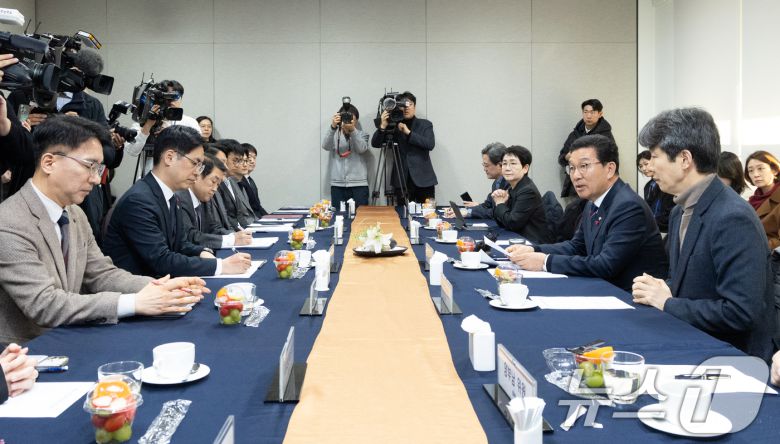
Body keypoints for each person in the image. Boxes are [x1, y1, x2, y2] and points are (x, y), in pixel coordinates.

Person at [0, 116, 208, 344]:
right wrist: (134, 303)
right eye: (90, 166)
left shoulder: (74, 213)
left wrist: (159, 287)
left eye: (99, 168)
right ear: (49, 163)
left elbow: (101, 274)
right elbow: (45, 304)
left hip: (70, 335)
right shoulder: (9, 223)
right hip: (24, 350)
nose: (97, 179)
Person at [632, 108, 774, 361]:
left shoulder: (733, 217)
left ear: (684, 159)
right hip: (689, 339)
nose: (650, 167)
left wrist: (667, 302)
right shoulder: (680, 210)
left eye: (654, 157)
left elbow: (740, 312)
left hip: (729, 358)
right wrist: (662, 287)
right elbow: (692, 284)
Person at [508, 134, 667, 291]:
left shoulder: (628, 206)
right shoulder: (592, 202)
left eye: (584, 166)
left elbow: (606, 265)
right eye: (572, 168)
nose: (576, 176)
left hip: (629, 297)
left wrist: (545, 262)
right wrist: (534, 250)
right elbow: (577, 246)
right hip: (602, 288)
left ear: (609, 169)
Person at [103, 126, 252, 278]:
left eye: (200, 166)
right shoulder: (139, 201)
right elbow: (161, 260)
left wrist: (201, 252)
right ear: (169, 157)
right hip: (141, 286)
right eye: (195, 163)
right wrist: (220, 266)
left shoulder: (171, 196)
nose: (197, 172)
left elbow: (181, 244)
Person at [124, 79, 201, 176]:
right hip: (150, 178)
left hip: (181, 178)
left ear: (181, 98)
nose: (170, 101)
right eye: (167, 97)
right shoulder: (144, 120)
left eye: (174, 96)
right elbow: (132, 151)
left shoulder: (190, 123)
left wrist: (171, 136)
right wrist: (148, 126)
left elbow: (198, 152)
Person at [370, 91, 436, 203]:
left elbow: (430, 144)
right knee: (402, 213)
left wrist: (408, 132)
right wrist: (383, 125)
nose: (406, 107)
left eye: (409, 104)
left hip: (424, 180)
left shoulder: (425, 124)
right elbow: (375, 144)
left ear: (414, 106)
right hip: (401, 180)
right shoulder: (393, 126)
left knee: (428, 212)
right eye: (403, 105)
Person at [176, 154, 253, 250]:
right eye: (213, 182)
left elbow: (213, 228)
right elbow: (191, 236)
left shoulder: (204, 198)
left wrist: (234, 235)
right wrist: (231, 240)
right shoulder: (180, 198)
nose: (215, 189)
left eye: (218, 184)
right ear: (197, 175)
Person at [489, 145, 551, 243]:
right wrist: (500, 202)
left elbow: (512, 223)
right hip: (516, 238)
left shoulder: (527, 191)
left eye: (513, 163)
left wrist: (500, 204)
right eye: (504, 164)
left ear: (525, 168)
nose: (507, 168)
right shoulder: (510, 188)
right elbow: (502, 222)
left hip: (531, 243)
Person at [558, 99, 615, 198]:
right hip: (575, 186)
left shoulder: (605, 136)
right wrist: (567, 157)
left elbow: (610, 161)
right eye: (586, 112)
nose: (588, 116)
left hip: (596, 187)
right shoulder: (575, 134)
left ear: (600, 114)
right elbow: (561, 157)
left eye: (592, 112)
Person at [322, 103, 370, 207]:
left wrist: (352, 131)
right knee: (338, 215)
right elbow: (325, 146)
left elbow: (361, 149)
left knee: (360, 215)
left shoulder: (362, 134)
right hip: (337, 185)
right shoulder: (334, 135)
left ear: (356, 120)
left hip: (359, 185)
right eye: (345, 118)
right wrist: (333, 127)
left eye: (351, 118)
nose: (347, 121)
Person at [444, 142, 507, 220]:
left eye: (486, 165)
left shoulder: (509, 184)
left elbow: (496, 213)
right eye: (483, 165)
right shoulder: (497, 182)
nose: (484, 169)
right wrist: (463, 211)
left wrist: (467, 212)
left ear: (500, 165)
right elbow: (486, 205)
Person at [216, 140, 257, 228]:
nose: (240, 165)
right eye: (236, 161)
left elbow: (239, 214)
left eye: (240, 161)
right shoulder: (216, 185)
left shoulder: (231, 181)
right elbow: (225, 219)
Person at [745, 151, 780, 249]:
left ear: (774, 170)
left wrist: (755, 247)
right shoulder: (750, 202)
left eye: (760, 168)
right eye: (751, 170)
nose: (755, 174)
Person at [638, 150, 675, 232]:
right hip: (655, 229)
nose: (644, 169)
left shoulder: (667, 183)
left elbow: (671, 211)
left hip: (668, 229)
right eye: (640, 166)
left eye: (646, 164)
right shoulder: (648, 186)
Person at [238, 143, 268, 216]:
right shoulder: (239, 181)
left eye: (254, 158)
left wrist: (270, 217)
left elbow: (258, 206)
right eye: (249, 157)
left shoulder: (250, 180)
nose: (252, 161)